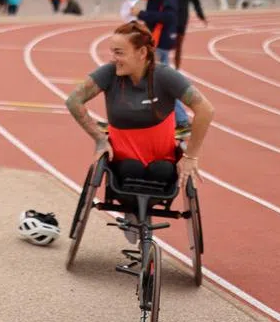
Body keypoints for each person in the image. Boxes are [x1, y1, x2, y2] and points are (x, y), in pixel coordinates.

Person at [64, 21, 214, 241]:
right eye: (112, 52)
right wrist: (99, 139)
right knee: (129, 169)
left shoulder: (164, 76)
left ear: (142, 52)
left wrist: (191, 156)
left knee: (162, 171)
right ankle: (133, 211)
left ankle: (141, 215)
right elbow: (73, 101)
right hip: (123, 162)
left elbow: (206, 110)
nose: (113, 58)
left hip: (161, 159)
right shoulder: (109, 73)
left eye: (119, 52)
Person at [109, 0, 190, 133]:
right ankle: (176, 119)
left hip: (159, 40)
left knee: (157, 78)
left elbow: (170, 15)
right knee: (154, 77)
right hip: (155, 38)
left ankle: (181, 119)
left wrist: (142, 14)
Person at [175, 0, 208, 70]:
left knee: (179, 45)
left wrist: (201, 16)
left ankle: (177, 68)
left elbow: (196, 3)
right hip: (170, 18)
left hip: (182, 19)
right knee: (164, 44)